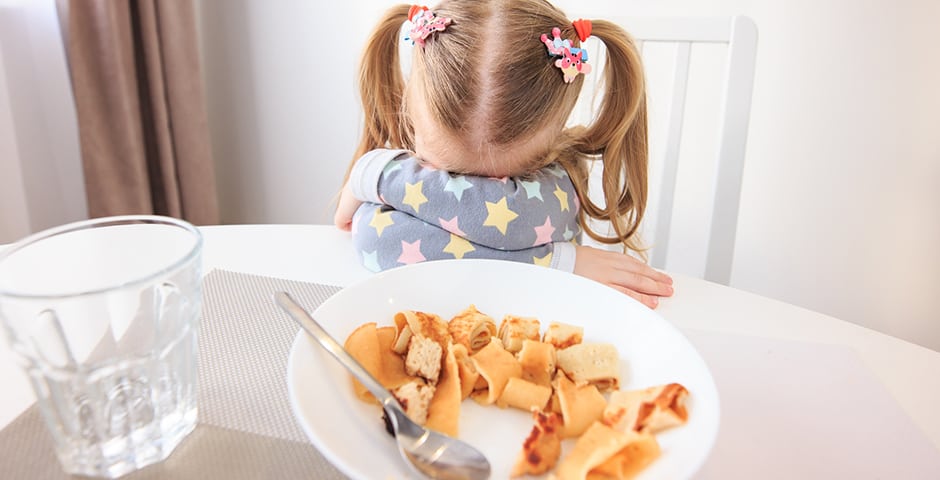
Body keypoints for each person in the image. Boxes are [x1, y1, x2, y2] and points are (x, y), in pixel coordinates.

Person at [334, 0, 673, 308]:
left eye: (501, 183)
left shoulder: (562, 182)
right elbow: (380, 241)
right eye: (451, 176)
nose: (475, 196)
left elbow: (377, 239)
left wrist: (377, 174)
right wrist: (557, 261)